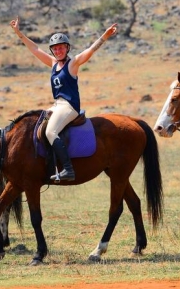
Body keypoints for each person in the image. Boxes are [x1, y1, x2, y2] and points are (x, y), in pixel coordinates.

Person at [10, 16, 118, 182]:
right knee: (37, 124)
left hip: (69, 106)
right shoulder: (53, 63)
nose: (58, 51)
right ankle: (48, 164)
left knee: (51, 131)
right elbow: (35, 49)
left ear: (67, 48)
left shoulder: (72, 64)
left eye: (61, 48)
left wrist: (104, 36)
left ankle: (68, 169)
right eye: (55, 49)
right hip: (56, 105)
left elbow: (90, 51)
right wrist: (19, 33)